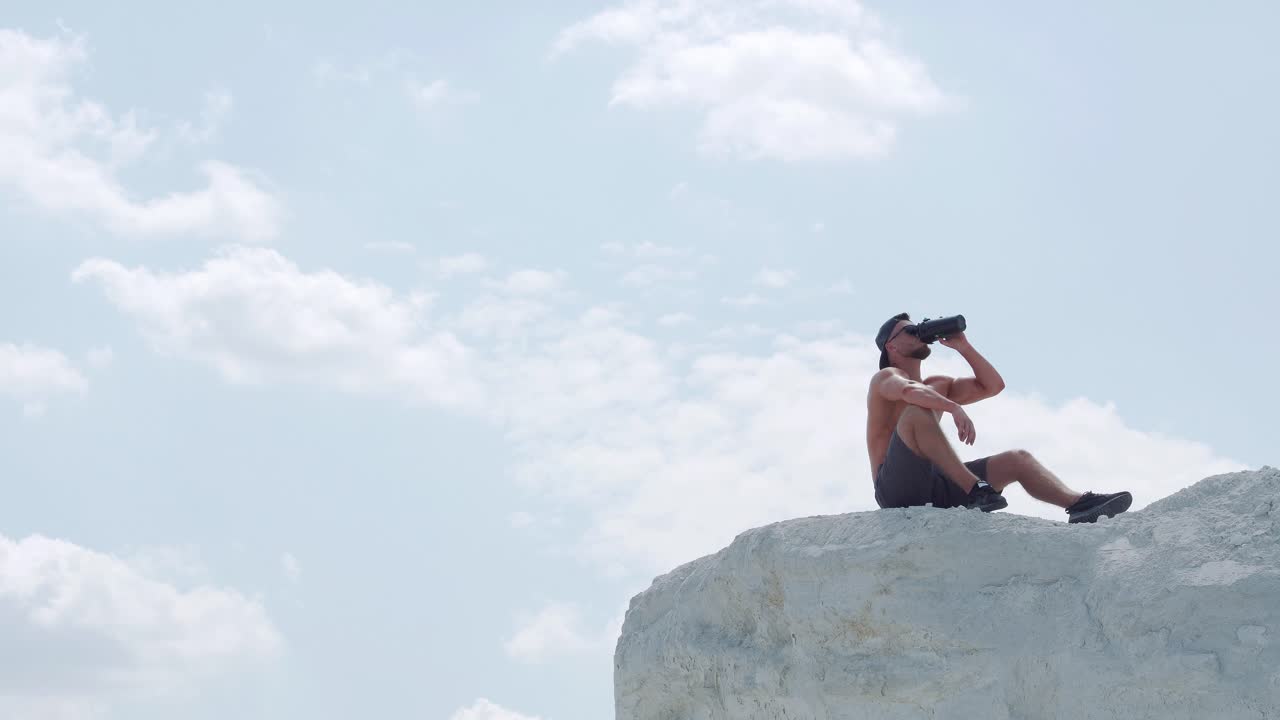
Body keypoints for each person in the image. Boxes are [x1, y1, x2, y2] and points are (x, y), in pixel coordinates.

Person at [867, 312, 1132, 524]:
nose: (917, 333)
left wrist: (963, 347)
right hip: (896, 491)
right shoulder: (885, 378)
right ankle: (976, 490)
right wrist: (953, 407)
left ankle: (1078, 505)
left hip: (937, 489)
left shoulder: (938, 385)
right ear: (891, 345)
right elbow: (908, 391)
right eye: (909, 331)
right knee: (915, 413)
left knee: (1017, 459)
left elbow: (992, 386)